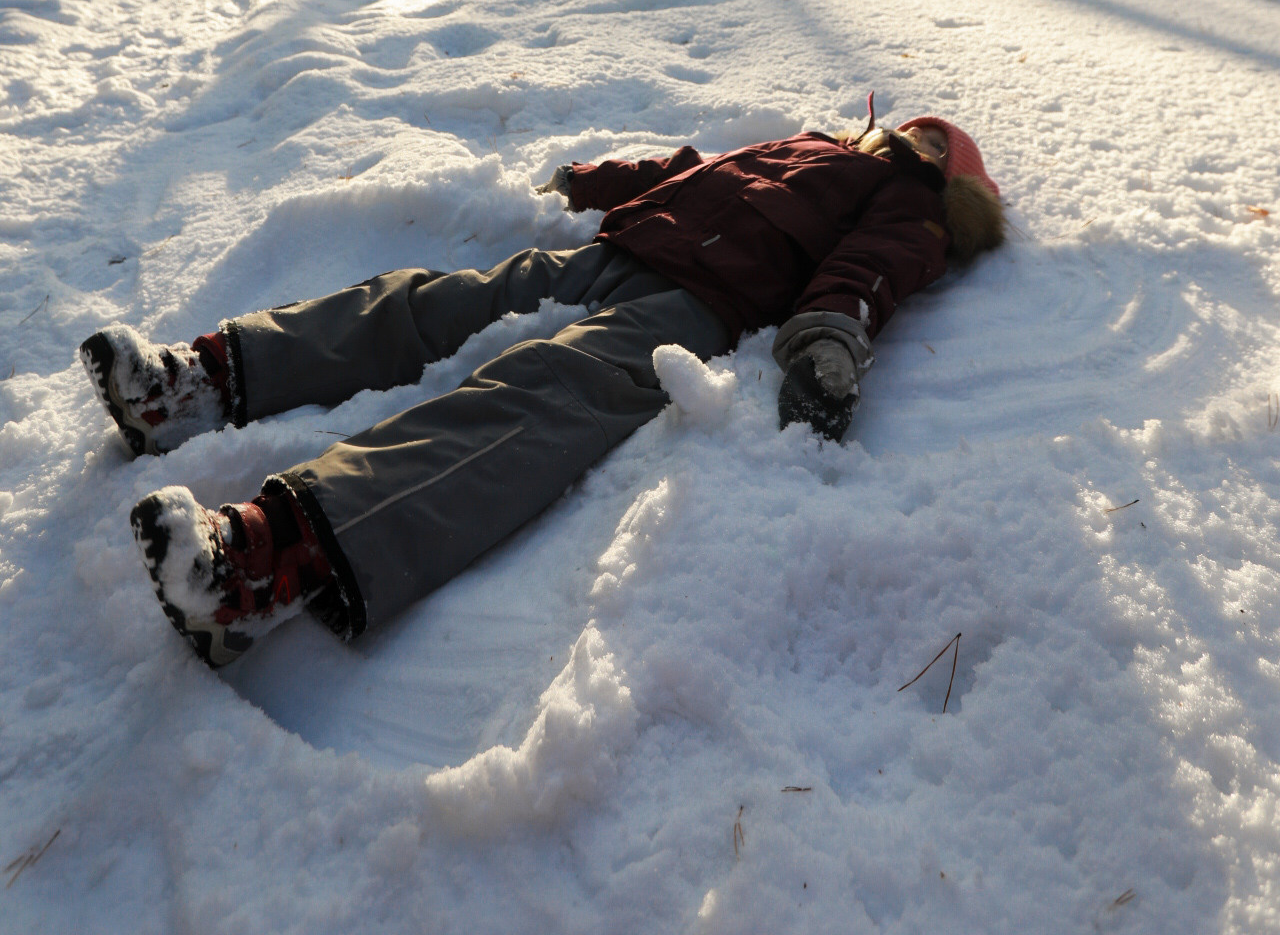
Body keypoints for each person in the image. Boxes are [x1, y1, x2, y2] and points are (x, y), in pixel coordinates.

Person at [80, 113, 1004, 668]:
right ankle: (194, 385)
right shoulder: (810, 145)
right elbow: (695, 170)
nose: (913, 136)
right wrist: (601, 180)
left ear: (947, 175)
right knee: (431, 304)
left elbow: (865, 276)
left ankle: (265, 566)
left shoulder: (908, 208)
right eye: (913, 126)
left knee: (543, 392)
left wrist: (829, 346)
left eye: (933, 141)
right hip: (616, 253)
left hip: (696, 306)